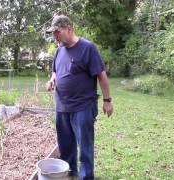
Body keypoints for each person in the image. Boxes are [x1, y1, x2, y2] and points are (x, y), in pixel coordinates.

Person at [45, 15, 113, 180]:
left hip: (83, 106)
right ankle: (69, 172)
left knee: (85, 146)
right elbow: (56, 70)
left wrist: (107, 101)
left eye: (57, 32)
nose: (55, 36)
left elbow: (101, 76)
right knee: (65, 144)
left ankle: (86, 176)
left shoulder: (87, 48)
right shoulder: (59, 50)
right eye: (53, 33)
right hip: (62, 106)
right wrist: (52, 79)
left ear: (69, 28)